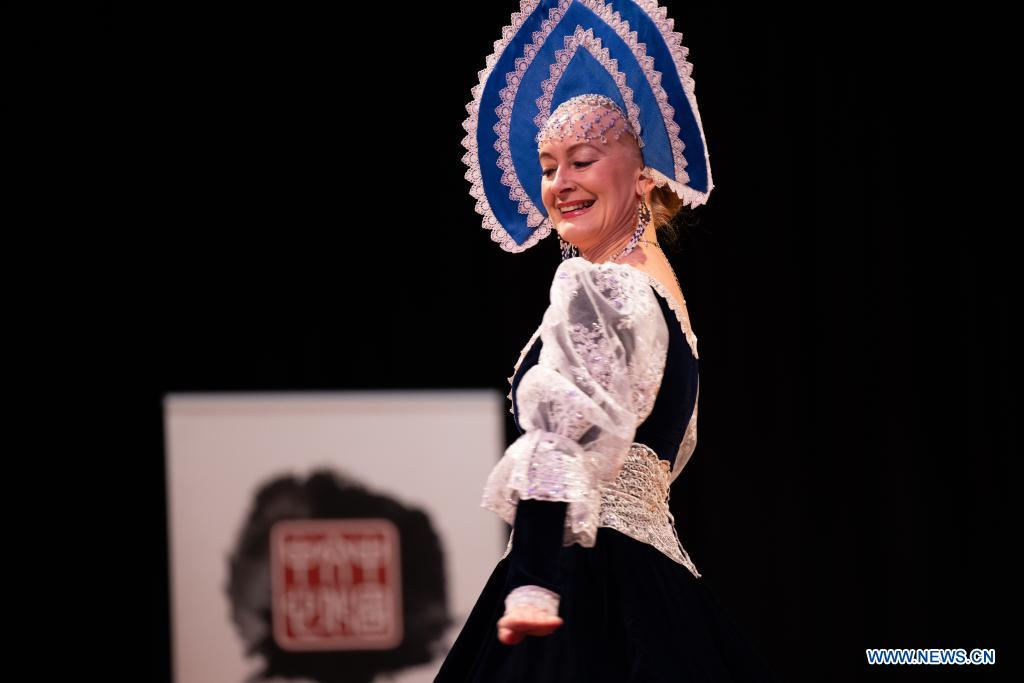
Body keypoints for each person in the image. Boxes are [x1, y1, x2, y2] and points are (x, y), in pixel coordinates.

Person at [436, 3, 778, 680]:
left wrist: (534, 576)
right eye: (548, 165)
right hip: (660, 585)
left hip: (585, 581)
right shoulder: (661, 293)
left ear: (645, 172)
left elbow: (561, 437)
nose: (560, 183)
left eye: (583, 160)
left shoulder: (606, 290)